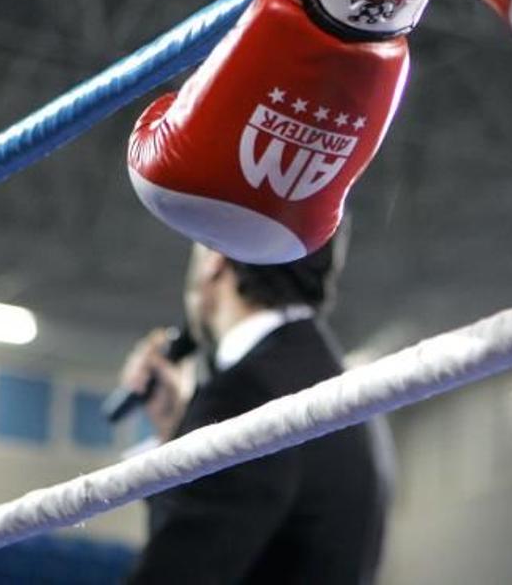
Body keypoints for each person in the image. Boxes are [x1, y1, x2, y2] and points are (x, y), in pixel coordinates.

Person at [119, 227, 394, 584]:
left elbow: (176, 571)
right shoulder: (354, 397)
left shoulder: (242, 395)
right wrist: (177, 431)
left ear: (213, 260)